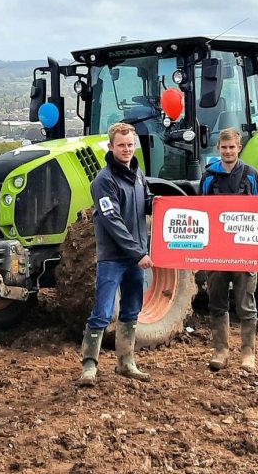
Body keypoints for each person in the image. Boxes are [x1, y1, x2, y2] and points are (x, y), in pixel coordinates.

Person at [78, 122, 154, 387]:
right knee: (103, 311)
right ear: (111, 147)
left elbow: (146, 204)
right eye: (121, 145)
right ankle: (89, 365)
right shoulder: (104, 181)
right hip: (113, 258)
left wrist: (165, 206)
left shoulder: (139, 175)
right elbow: (112, 221)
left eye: (130, 145)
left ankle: (126, 362)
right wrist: (137, 252)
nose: (126, 149)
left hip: (135, 257)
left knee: (132, 309)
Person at [199, 128, 258, 372]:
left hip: (244, 250)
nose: (228, 152)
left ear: (239, 148)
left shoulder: (251, 176)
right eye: (224, 148)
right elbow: (200, 212)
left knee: (246, 302)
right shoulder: (208, 177)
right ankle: (220, 350)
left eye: (232, 147)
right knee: (217, 302)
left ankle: (248, 353)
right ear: (219, 149)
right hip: (216, 250)